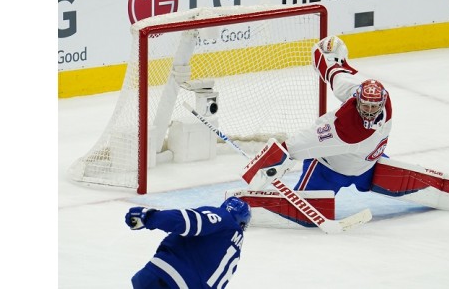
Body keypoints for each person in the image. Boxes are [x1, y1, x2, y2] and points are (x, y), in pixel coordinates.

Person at [242, 35, 392, 196]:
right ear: (357, 98)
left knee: (308, 151)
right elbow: (338, 77)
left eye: (373, 106)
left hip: (348, 168)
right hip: (349, 167)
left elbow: (297, 145)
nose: (369, 111)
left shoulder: (345, 130)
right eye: (365, 105)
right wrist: (330, 63)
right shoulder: (377, 104)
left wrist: (259, 167)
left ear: (382, 102)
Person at [125, 196, 252, 289]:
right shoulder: (235, 251)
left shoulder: (223, 217)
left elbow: (189, 221)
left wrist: (149, 217)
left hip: (165, 280)